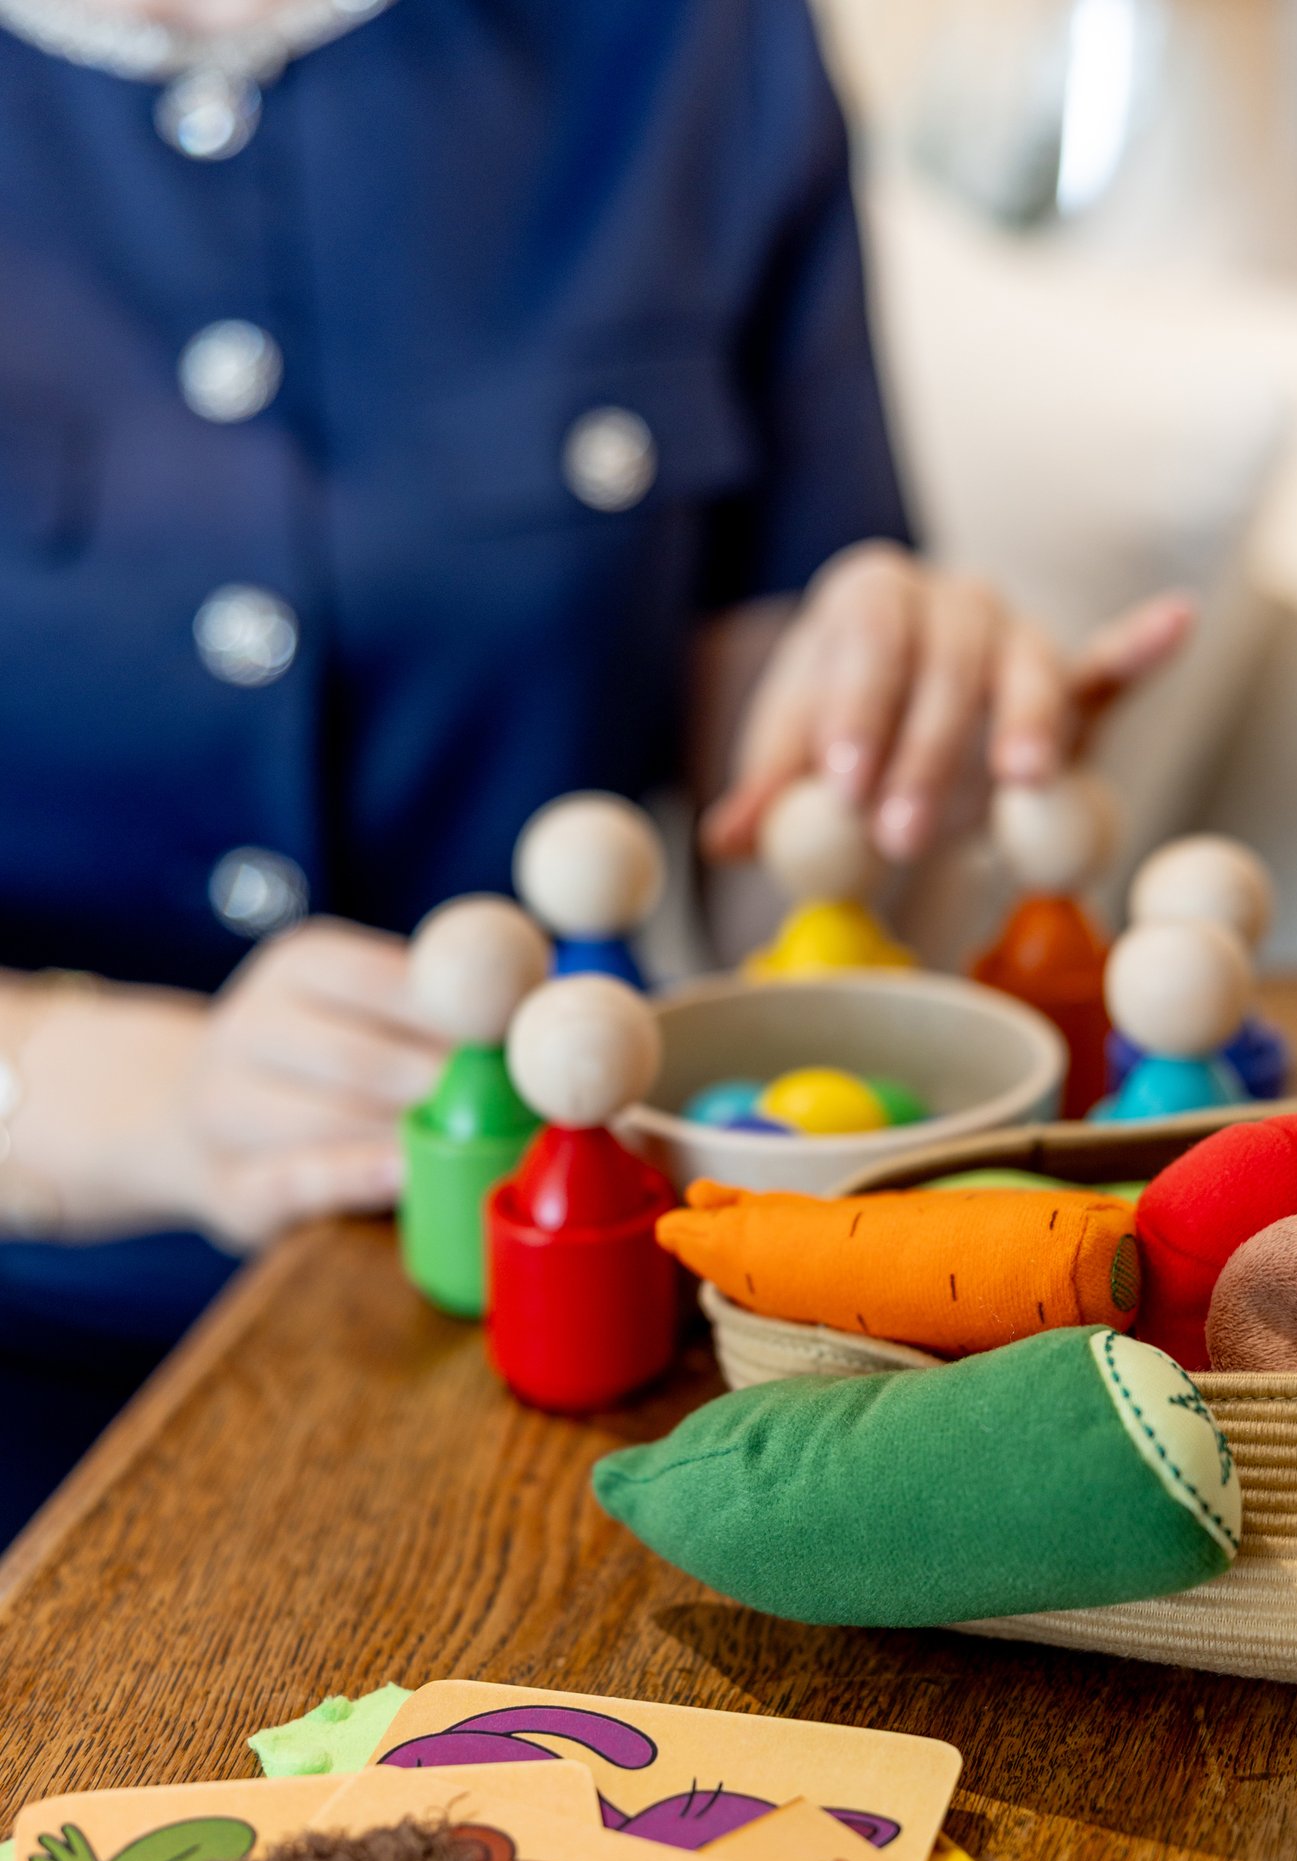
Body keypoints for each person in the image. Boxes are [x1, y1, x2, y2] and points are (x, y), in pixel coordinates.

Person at [0, 0, 1187, 1545]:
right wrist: (145, 1099)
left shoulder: (693, 42)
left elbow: (775, 859)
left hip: (585, 1337)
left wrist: (898, 742)